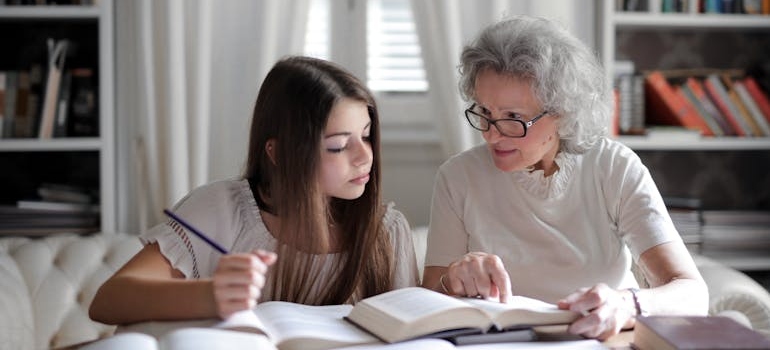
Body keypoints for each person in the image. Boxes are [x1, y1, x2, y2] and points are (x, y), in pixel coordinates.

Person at [421, 15, 708, 340]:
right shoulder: (458, 177)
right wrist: (453, 280)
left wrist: (627, 305)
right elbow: (427, 297)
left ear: (563, 112)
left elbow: (692, 292)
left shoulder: (613, 168)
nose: (491, 136)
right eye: (485, 113)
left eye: (514, 118)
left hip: (604, 341)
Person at [90, 56, 419, 325]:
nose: (365, 157)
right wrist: (210, 295)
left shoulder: (387, 233)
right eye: (337, 146)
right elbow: (109, 301)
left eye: (365, 135)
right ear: (278, 153)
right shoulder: (222, 210)